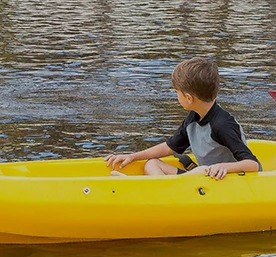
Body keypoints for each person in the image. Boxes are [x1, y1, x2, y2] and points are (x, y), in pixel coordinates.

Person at [105, 57, 262, 179]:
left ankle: (144, 189)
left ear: (188, 98)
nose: (176, 96)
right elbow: (170, 147)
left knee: (201, 170)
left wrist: (225, 167)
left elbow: (253, 164)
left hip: (231, 180)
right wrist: (133, 156)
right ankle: (165, 190)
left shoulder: (222, 124)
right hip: (204, 180)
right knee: (152, 163)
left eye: (176, 92)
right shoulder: (193, 119)